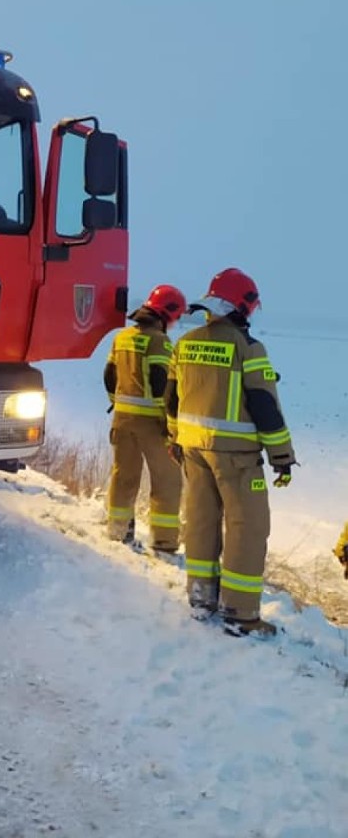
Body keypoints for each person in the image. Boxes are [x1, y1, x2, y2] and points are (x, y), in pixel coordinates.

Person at [165, 268, 296, 638]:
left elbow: (170, 400)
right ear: (241, 305)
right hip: (236, 457)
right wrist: (282, 456)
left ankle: (201, 599)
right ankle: (240, 614)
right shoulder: (249, 348)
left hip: (192, 449)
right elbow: (264, 406)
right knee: (247, 528)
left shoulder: (185, 343)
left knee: (201, 520)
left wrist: (174, 439)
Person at [104, 284, 187, 552]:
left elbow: (109, 375)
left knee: (123, 476)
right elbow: (161, 380)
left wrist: (116, 403)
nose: (175, 323)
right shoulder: (159, 341)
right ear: (167, 313)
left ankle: (118, 531)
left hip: (122, 420)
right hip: (153, 425)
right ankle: (164, 542)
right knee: (167, 480)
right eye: (176, 317)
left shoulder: (122, 337)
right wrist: (169, 419)